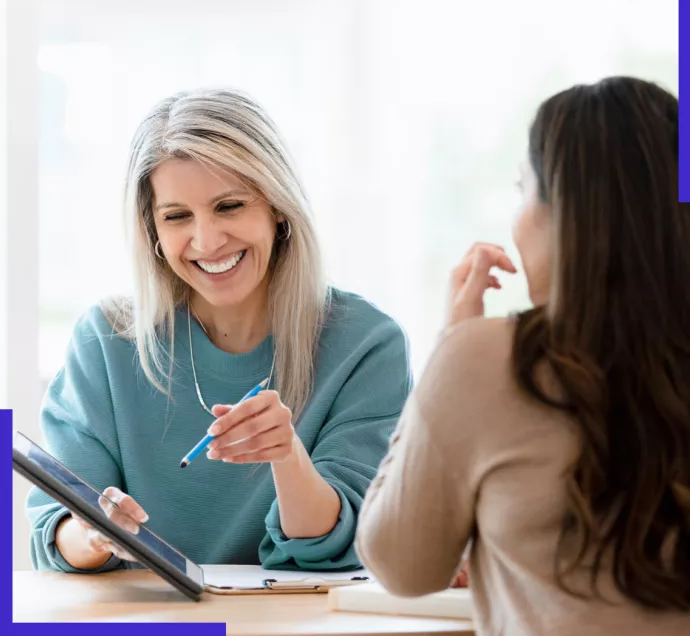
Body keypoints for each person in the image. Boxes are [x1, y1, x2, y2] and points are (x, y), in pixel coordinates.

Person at [27, 88, 412, 573]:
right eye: (177, 217)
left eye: (229, 206)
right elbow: (54, 533)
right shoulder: (104, 342)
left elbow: (339, 543)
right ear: (153, 232)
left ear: (277, 206)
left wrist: (287, 455)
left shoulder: (366, 346)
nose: (207, 241)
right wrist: (92, 531)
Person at [356, 76, 690, 634]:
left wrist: (449, 351)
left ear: (565, 213)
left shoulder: (488, 361)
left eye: (521, 189)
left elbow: (403, 565)